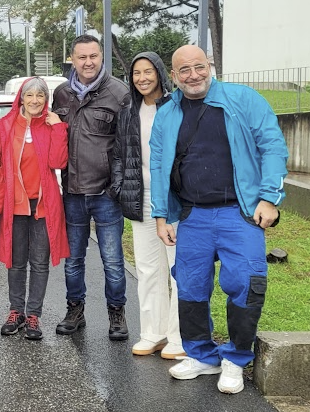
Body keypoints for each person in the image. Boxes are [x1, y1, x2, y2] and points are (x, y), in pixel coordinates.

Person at [150, 45, 288, 394]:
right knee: (190, 286)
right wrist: (161, 214)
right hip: (192, 214)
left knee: (246, 283)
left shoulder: (244, 99)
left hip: (239, 213)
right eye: (184, 70)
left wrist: (269, 198)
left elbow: (272, 146)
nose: (193, 75)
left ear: (209, 66)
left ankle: (235, 359)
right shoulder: (168, 113)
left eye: (199, 66)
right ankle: (202, 355)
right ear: (174, 76)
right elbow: (158, 163)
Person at [0, 77, 69, 339]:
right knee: (15, 261)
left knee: (39, 262)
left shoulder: (50, 126)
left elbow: (58, 162)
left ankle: (33, 315)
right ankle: (16, 311)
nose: (35, 100)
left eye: (40, 96)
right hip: (13, 204)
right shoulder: (4, 126)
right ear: (21, 98)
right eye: (30, 95)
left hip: (43, 204)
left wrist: (59, 128)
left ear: (46, 100)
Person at [52, 34, 131, 340]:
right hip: (72, 193)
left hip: (106, 195)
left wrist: (116, 187)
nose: (88, 62)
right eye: (82, 57)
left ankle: (117, 313)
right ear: (72, 59)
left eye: (93, 56)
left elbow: (128, 146)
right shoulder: (61, 94)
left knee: (113, 260)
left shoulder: (119, 93)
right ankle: (75, 310)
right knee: (73, 260)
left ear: (101, 57)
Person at [110, 52, 183, 359]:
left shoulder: (177, 106)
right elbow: (118, 154)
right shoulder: (128, 109)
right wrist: (119, 186)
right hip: (140, 197)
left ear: (160, 73)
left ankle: (179, 337)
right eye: (137, 73)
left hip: (175, 200)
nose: (142, 78)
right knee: (148, 268)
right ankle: (154, 332)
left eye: (148, 71)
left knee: (179, 269)